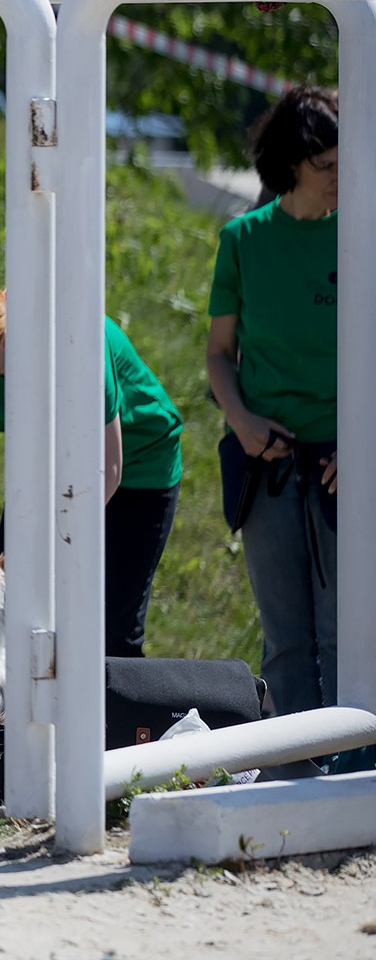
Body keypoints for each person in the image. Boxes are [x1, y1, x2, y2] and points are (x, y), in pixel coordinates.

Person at [0, 277, 183, 657]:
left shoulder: (75, 340)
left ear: (5, 341)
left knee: (108, 634)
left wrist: (34, 548)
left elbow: (105, 470)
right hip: (47, 470)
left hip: (137, 472)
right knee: (10, 618)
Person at [207, 85, 338, 721]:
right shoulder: (243, 240)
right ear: (290, 164)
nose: (342, 177)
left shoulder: (363, 232)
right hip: (267, 462)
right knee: (286, 641)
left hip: (348, 463)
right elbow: (217, 356)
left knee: (349, 638)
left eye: (347, 160)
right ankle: (292, 778)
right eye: (326, 166)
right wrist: (243, 421)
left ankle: (353, 778)